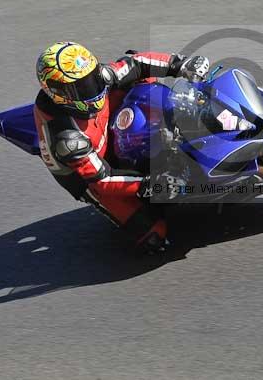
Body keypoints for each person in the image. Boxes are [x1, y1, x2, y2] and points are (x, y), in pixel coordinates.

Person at [33, 41, 210, 253]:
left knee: (144, 80)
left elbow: (136, 63)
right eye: (82, 87)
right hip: (93, 174)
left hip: (107, 121)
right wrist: (150, 183)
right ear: (58, 93)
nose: (93, 86)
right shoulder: (68, 139)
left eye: (92, 77)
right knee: (154, 236)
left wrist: (181, 64)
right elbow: (103, 180)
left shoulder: (100, 77)